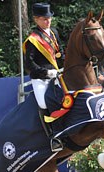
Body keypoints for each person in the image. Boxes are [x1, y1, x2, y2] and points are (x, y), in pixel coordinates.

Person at [23, 2, 64, 152]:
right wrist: (45, 73)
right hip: (41, 78)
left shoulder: (53, 33)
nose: (48, 21)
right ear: (36, 19)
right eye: (44, 19)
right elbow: (29, 63)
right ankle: (53, 137)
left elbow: (60, 52)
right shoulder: (33, 39)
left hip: (57, 73)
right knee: (44, 104)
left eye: (49, 18)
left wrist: (64, 63)